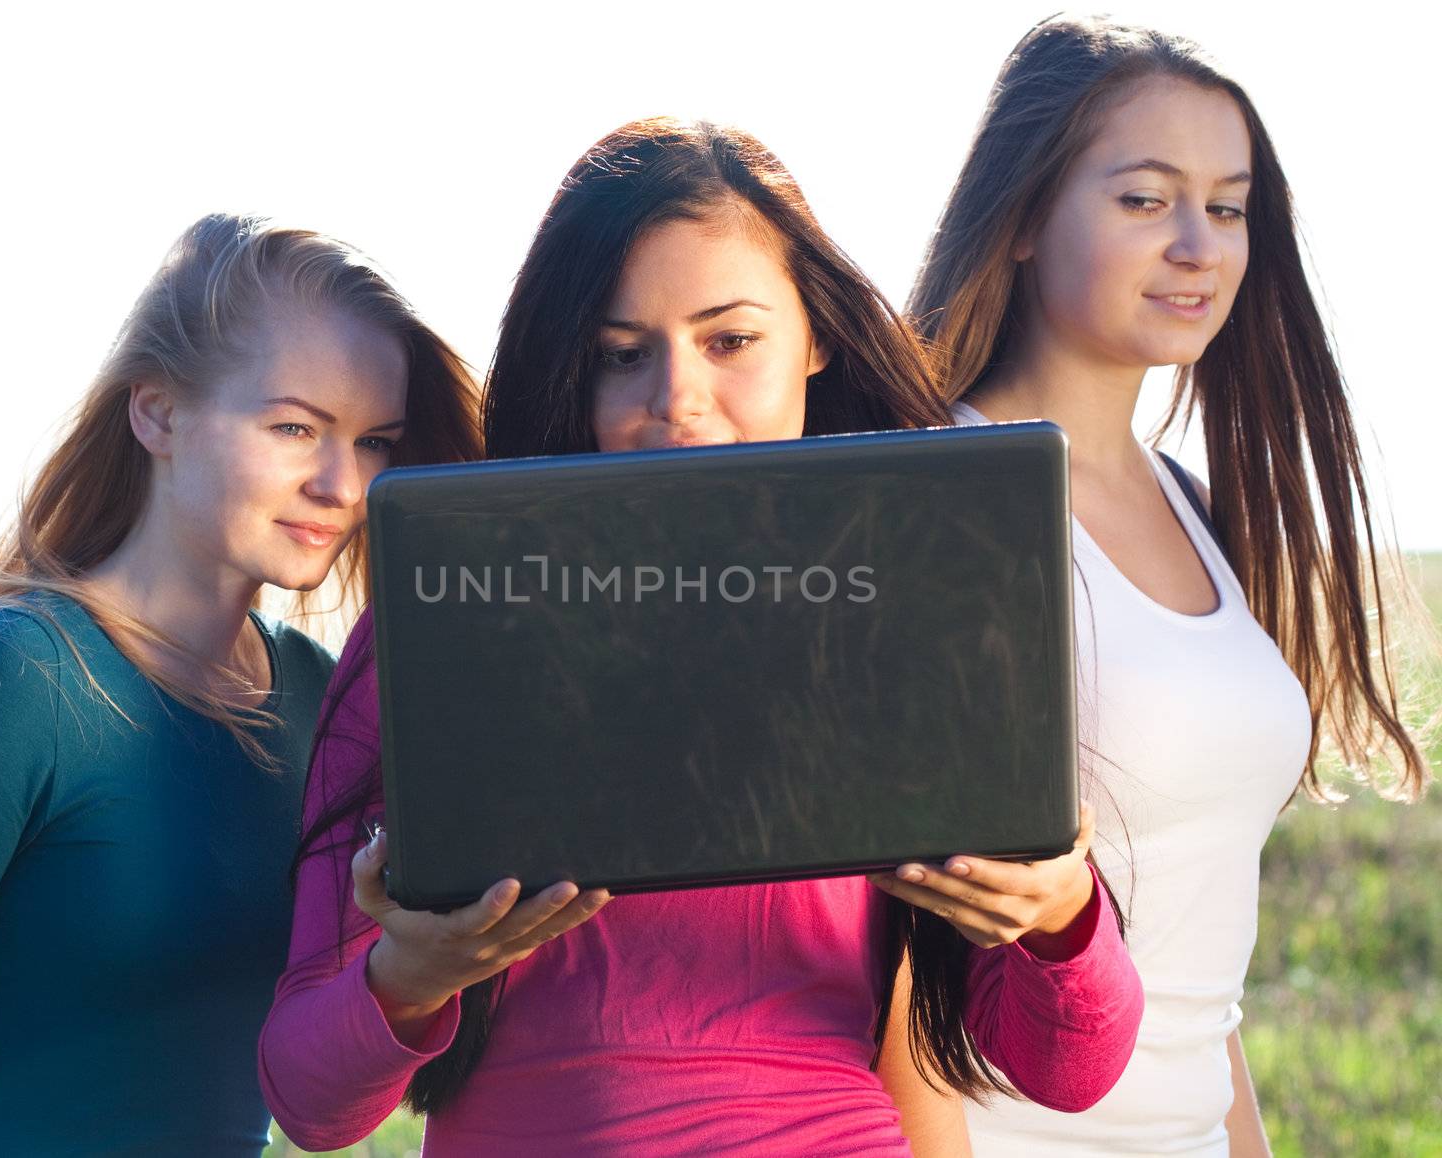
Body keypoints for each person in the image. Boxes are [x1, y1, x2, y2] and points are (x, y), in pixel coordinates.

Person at [260, 118, 1144, 1157]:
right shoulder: (439, 624)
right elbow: (311, 1105)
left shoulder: (918, 617)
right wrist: (410, 975)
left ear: (815, 335)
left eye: (729, 341)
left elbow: (1070, 1070)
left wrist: (1058, 914)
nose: (676, 400)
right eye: (621, 356)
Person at [0, 214, 480, 1156]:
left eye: (374, 440)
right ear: (158, 413)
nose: (343, 485)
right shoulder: (19, 682)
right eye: (295, 426)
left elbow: (331, 1059)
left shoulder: (317, 694)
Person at [907, 16, 1433, 1156]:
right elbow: (883, 954)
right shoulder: (936, 502)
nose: (1198, 244)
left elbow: (1201, 963)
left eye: (1228, 206)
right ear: (1021, 224)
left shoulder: (1196, 507)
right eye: (1145, 200)